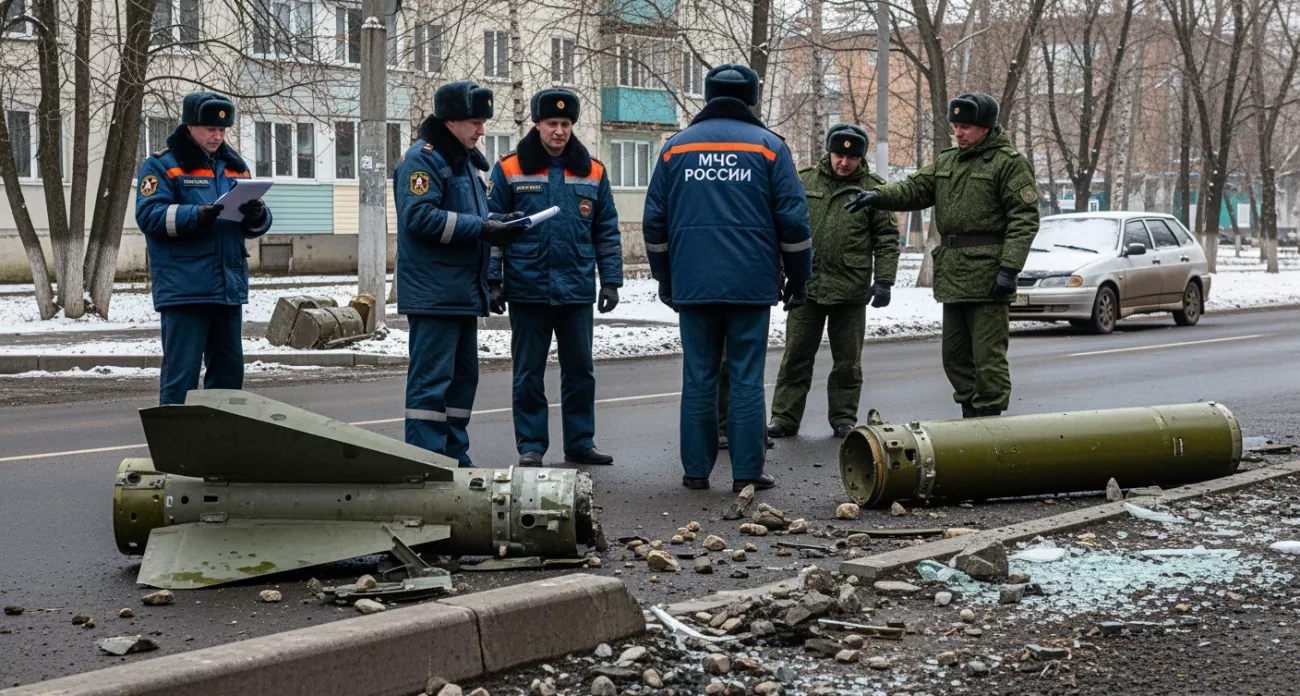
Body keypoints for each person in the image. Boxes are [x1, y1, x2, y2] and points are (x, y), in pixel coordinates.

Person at [643, 64, 812, 492]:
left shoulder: (674, 149)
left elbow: (654, 223)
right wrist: (799, 278)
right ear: (752, 98)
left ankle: (696, 472)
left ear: (707, 95)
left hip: (694, 283)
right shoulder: (771, 148)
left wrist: (666, 278)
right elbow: (793, 222)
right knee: (745, 377)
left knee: (698, 375)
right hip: (751, 283)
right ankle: (746, 473)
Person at [845, 93, 1039, 418]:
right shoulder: (947, 161)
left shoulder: (1008, 164)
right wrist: (877, 196)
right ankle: (969, 410)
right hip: (953, 274)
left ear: (986, 128)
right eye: (955, 127)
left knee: (988, 356)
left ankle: (990, 418)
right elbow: (914, 189)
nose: (959, 133)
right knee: (954, 354)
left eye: (965, 127)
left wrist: (1009, 269)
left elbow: (1025, 218)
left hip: (989, 275)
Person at [487, 89, 623, 467]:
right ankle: (531, 445)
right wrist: (493, 280)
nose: (559, 131)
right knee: (528, 373)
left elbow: (606, 229)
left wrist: (611, 281)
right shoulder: (510, 169)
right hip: (527, 289)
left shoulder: (592, 170)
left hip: (576, 289)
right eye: (552, 124)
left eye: (565, 124)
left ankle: (580, 442)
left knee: (580, 371)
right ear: (538, 125)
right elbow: (493, 228)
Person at [395, 80, 522, 466]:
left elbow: (471, 217)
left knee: (463, 382)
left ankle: (454, 458)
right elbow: (419, 218)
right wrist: (485, 228)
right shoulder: (424, 159)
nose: (481, 130)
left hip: (461, 291)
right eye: (474, 121)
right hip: (435, 294)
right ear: (449, 121)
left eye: (483, 121)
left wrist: (500, 222)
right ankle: (426, 462)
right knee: (431, 386)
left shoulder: (462, 160)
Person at [135, 92, 272, 406]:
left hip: (226, 288)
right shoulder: (163, 165)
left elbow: (253, 219)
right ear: (190, 126)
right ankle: (174, 450)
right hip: (185, 289)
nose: (217, 135)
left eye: (222, 130)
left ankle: (219, 448)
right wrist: (193, 216)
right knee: (180, 378)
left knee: (228, 379)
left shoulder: (234, 166)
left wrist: (258, 215)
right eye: (210, 129)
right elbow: (148, 215)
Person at [768, 124, 900, 439]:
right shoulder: (805, 180)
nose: (844, 162)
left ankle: (843, 418)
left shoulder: (874, 189)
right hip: (806, 287)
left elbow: (887, 240)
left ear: (861, 158)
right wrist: (779, 274)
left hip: (851, 290)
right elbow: (783, 229)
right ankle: (784, 417)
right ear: (829, 151)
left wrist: (884, 281)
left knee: (847, 362)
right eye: (839, 154)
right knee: (796, 355)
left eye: (852, 157)